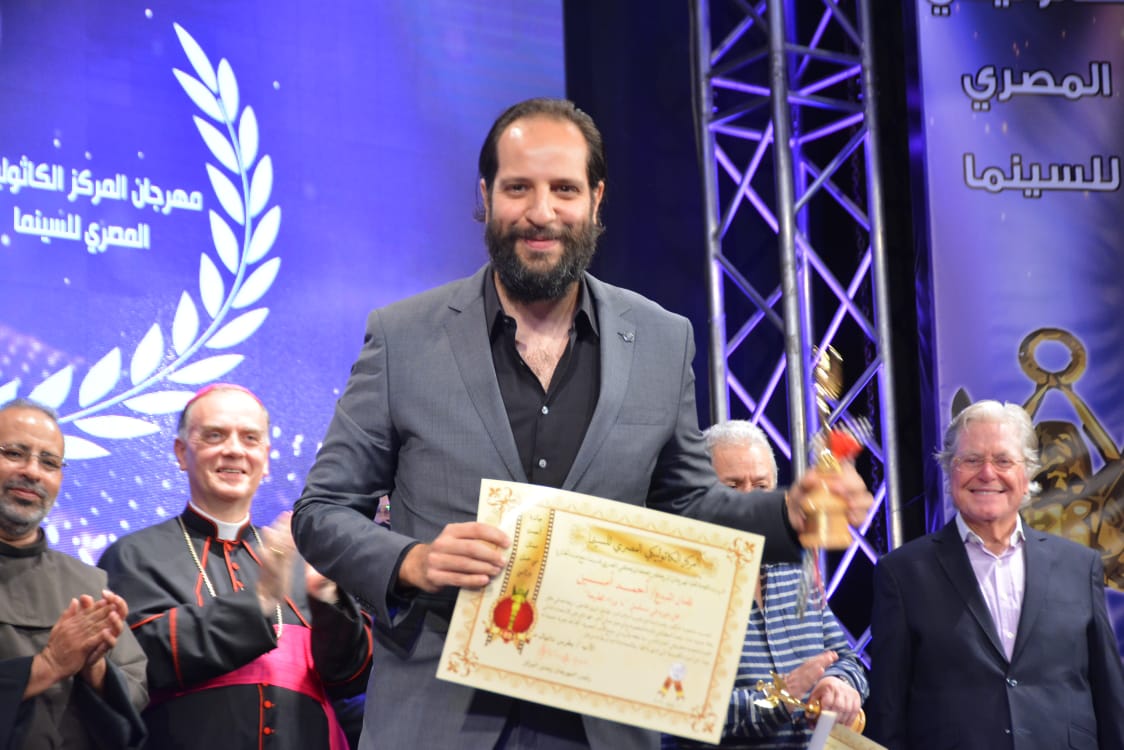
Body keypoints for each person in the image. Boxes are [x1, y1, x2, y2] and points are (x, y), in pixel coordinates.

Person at [290, 97, 873, 750]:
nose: (541, 212)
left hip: (605, 722)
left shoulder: (660, 340)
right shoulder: (404, 337)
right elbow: (322, 510)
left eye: (564, 189)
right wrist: (412, 561)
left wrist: (786, 515)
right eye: (518, 188)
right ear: (485, 196)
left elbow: (688, 505)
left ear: (596, 200)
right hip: (438, 719)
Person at [98, 385, 372, 749]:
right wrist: (259, 600)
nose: (234, 449)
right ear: (181, 452)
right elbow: (137, 663)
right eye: (215, 435)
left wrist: (329, 602)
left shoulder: (303, 561)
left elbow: (352, 677)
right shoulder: (134, 555)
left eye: (250, 438)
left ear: (266, 458)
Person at [868, 400, 1124, 749]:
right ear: (950, 471)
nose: (987, 473)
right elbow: (888, 710)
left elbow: (1110, 697)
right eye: (971, 460)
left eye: (1003, 460)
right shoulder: (903, 573)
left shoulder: (1080, 566)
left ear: (1027, 476)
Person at [664, 421, 866, 749]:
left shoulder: (795, 567)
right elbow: (673, 700)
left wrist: (838, 683)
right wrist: (776, 699)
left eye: (760, 486)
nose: (749, 500)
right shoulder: (677, 584)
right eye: (732, 487)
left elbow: (847, 659)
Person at [0, 398, 147, 749]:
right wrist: (47, 667)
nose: (33, 472)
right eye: (15, 454)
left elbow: (136, 690)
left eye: (49, 462)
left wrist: (96, 669)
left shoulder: (89, 585)